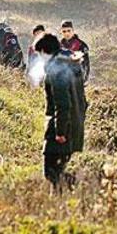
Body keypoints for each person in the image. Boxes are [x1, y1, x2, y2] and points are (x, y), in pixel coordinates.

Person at [35, 33, 86, 194]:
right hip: (75, 125)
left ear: (45, 51)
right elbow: (83, 102)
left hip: (61, 128)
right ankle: (62, 203)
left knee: (51, 172)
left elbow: (62, 104)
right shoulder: (70, 64)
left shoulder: (56, 70)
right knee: (57, 171)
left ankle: (83, 185)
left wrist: (60, 131)